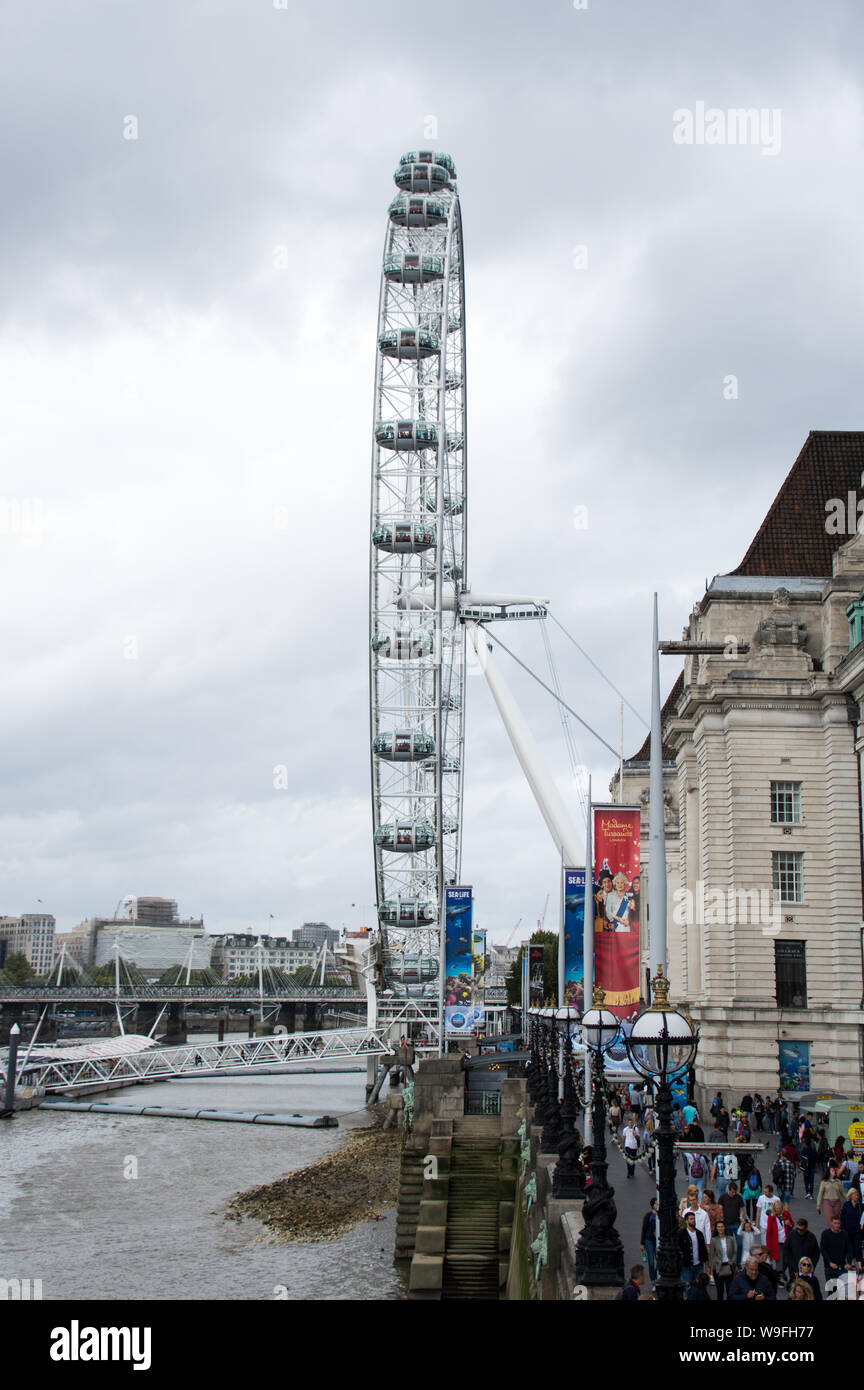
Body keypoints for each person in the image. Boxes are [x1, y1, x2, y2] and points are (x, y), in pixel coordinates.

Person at [783, 1217, 821, 1287]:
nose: (799, 1231)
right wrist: (790, 1263)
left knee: (807, 1287)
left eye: (801, 1230)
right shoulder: (791, 1235)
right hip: (794, 1269)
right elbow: (786, 1251)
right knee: (795, 1287)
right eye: (797, 1229)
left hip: (807, 1269)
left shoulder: (811, 1237)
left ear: (806, 1228)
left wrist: (811, 1266)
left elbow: (816, 1253)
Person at [820, 1215, 855, 1281]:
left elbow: (849, 1250)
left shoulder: (845, 1234)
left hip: (842, 1266)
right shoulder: (825, 1234)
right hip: (829, 1267)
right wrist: (829, 1262)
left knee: (843, 1289)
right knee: (832, 1290)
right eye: (835, 1223)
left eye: (838, 1223)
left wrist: (849, 1263)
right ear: (831, 1223)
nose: (837, 1225)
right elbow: (823, 1250)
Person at [678, 1211, 709, 1287]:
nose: (693, 1220)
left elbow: (703, 1251)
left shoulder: (699, 1234)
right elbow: (679, 1250)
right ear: (686, 1221)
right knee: (687, 1288)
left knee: (699, 1287)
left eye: (694, 1219)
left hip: (699, 1266)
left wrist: (707, 1265)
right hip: (687, 1266)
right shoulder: (681, 1234)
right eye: (691, 1219)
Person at [709, 1220, 737, 1301]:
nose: (720, 1229)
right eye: (719, 1227)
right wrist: (711, 1268)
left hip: (729, 1266)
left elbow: (735, 1252)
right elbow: (711, 1254)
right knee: (720, 1290)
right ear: (716, 1228)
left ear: (724, 1228)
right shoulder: (714, 1240)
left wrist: (732, 1261)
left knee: (730, 1289)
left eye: (722, 1227)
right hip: (718, 1267)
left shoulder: (730, 1239)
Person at [840, 1187, 863, 1267]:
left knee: (858, 1247)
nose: (856, 1196)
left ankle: (860, 1265)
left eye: (857, 1195)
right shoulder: (846, 1205)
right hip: (848, 1230)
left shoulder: (860, 1206)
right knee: (850, 1247)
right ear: (851, 1195)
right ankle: (852, 1263)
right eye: (855, 1195)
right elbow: (842, 1218)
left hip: (858, 1230)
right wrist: (842, 1229)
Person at [719, 1182, 743, 1247]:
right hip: (727, 1224)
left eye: (735, 1192)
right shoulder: (723, 1197)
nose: (734, 1194)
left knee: (740, 1244)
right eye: (732, 1192)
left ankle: (738, 1257)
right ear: (728, 1190)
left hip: (736, 1223)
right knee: (729, 1245)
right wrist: (721, 1218)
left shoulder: (739, 1197)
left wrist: (741, 1217)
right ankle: (730, 1257)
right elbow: (720, 1209)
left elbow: (741, 1209)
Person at [640, 1197, 658, 1282]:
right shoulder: (649, 1215)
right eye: (656, 1204)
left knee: (659, 1260)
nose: (657, 1205)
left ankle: (656, 1276)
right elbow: (644, 1229)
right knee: (651, 1262)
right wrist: (642, 1243)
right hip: (649, 1240)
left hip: (658, 1240)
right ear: (652, 1205)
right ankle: (653, 1280)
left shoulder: (660, 1215)